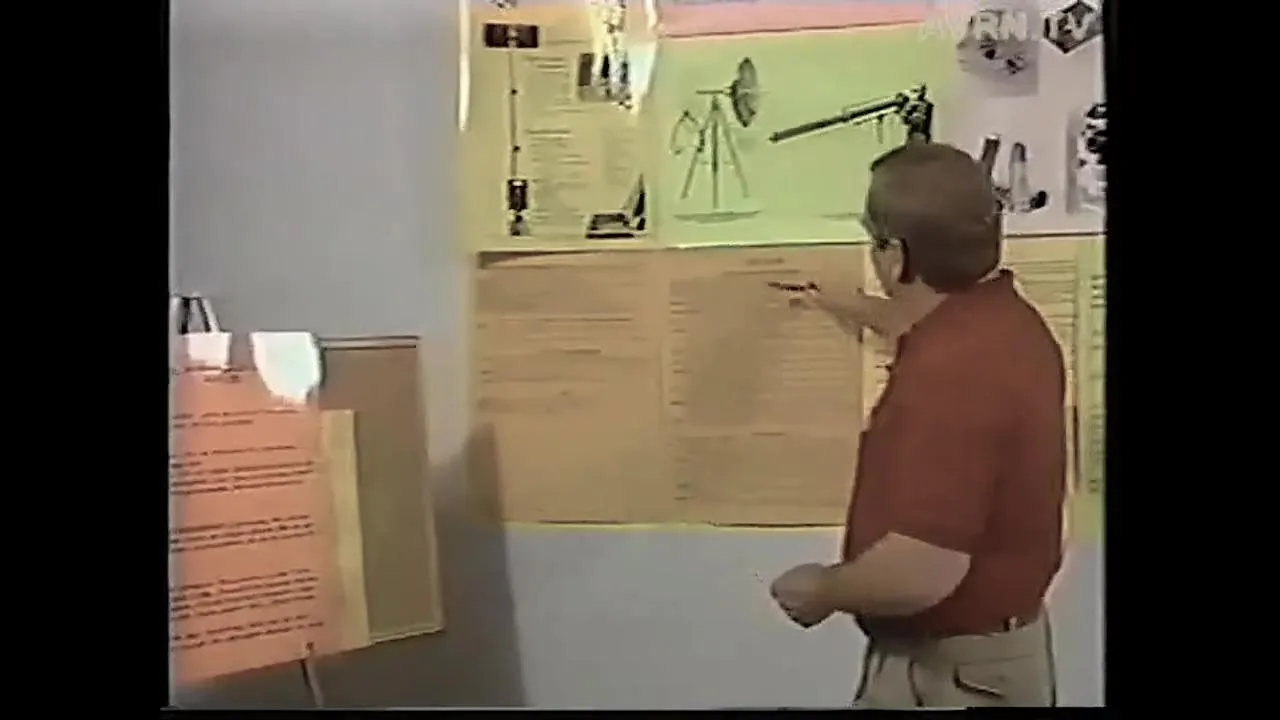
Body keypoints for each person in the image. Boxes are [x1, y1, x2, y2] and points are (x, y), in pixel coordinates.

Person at [768, 142, 1065, 708]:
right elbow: (918, 326)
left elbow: (919, 571)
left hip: (950, 677)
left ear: (896, 256)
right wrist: (842, 304)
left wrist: (822, 590)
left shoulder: (949, 374)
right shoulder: (1007, 323)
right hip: (991, 658)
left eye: (874, 239)